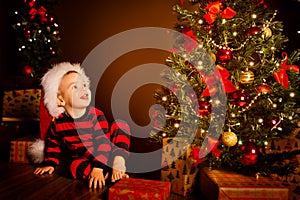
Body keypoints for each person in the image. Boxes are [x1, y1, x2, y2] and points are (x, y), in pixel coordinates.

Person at [32, 62, 130, 189]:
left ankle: (118, 163)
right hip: (86, 160)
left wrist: (99, 167)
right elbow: (53, 144)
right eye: (75, 87)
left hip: (108, 154)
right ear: (61, 100)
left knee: (120, 125)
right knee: (73, 166)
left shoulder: (96, 115)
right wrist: (50, 163)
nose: (84, 89)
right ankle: (107, 176)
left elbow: (103, 144)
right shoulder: (58, 123)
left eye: (84, 85)